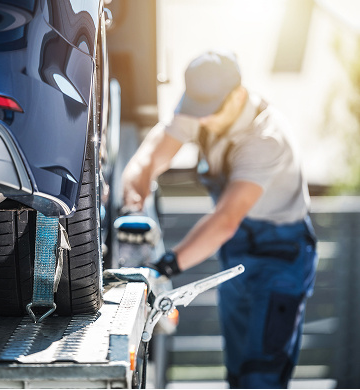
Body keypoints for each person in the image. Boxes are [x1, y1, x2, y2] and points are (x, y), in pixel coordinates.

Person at [122, 50, 318, 389]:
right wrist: (135, 189)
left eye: (210, 112)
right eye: (197, 112)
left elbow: (226, 219)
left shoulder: (266, 139)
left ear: (238, 95)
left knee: (261, 374)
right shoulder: (202, 105)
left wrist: (165, 267)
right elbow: (154, 154)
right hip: (238, 249)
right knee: (239, 366)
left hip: (280, 257)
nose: (202, 121)